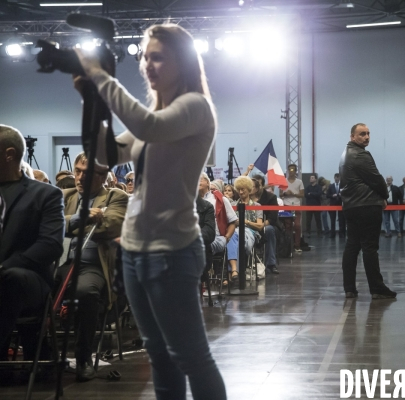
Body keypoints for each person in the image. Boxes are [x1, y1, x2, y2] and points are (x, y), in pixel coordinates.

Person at [74, 24, 226, 399]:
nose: (147, 64)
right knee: (159, 355)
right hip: (135, 252)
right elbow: (104, 155)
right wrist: (92, 103)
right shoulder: (152, 117)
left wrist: (100, 76)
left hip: (172, 252)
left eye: (158, 56)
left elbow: (148, 125)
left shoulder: (194, 107)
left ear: (183, 62)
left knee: (191, 356)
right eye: (145, 56)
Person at [0, 125, 65, 363]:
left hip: (29, 279)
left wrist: (3, 268)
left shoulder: (46, 194)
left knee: (10, 278)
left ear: (9, 154)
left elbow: (50, 245)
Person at [61, 151, 127, 381]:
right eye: (77, 171)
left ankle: (82, 359)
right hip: (59, 263)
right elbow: (49, 225)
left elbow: (109, 227)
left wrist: (67, 225)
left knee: (86, 292)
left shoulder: (115, 197)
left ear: (102, 176)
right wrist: (85, 217)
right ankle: (41, 356)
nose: (79, 178)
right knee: (28, 285)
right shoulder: (62, 195)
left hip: (92, 266)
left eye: (86, 174)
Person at [339, 123, 396, 300]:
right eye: (362, 134)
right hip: (367, 205)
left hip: (351, 206)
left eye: (368, 133)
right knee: (370, 248)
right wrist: (385, 196)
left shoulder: (345, 154)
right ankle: (377, 288)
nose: (367, 137)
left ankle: (349, 288)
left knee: (352, 246)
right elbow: (376, 179)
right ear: (352, 137)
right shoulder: (360, 155)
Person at [226, 176, 263, 281]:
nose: (240, 192)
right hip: (235, 231)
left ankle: (230, 272)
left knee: (234, 238)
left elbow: (260, 226)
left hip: (250, 232)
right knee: (233, 236)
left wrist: (245, 221)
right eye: (239, 190)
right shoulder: (232, 205)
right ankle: (234, 270)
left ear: (249, 190)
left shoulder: (257, 205)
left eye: (243, 189)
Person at [253, 174, 280, 274]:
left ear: (262, 186)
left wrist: (260, 226)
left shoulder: (271, 197)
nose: (255, 187)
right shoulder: (247, 197)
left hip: (267, 224)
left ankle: (271, 264)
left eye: (258, 185)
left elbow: (272, 218)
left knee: (268, 230)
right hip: (251, 225)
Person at [280, 164, 304, 253]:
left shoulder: (299, 182)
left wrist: (293, 194)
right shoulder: (283, 181)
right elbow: (280, 194)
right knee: (288, 226)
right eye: (289, 169)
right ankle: (288, 245)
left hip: (296, 205)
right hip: (286, 205)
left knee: (297, 225)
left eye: (293, 169)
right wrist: (286, 194)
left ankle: (297, 245)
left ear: (295, 171)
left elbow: (302, 194)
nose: (291, 171)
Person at [327, 173, 345, 238]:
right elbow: (327, 195)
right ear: (334, 178)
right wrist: (332, 195)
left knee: (341, 220)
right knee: (332, 220)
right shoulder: (331, 186)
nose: (337, 179)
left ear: (339, 178)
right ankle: (332, 234)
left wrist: (341, 195)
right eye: (336, 177)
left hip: (340, 204)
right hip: (333, 204)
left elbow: (345, 194)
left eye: (338, 177)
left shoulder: (342, 186)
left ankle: (341, 233)